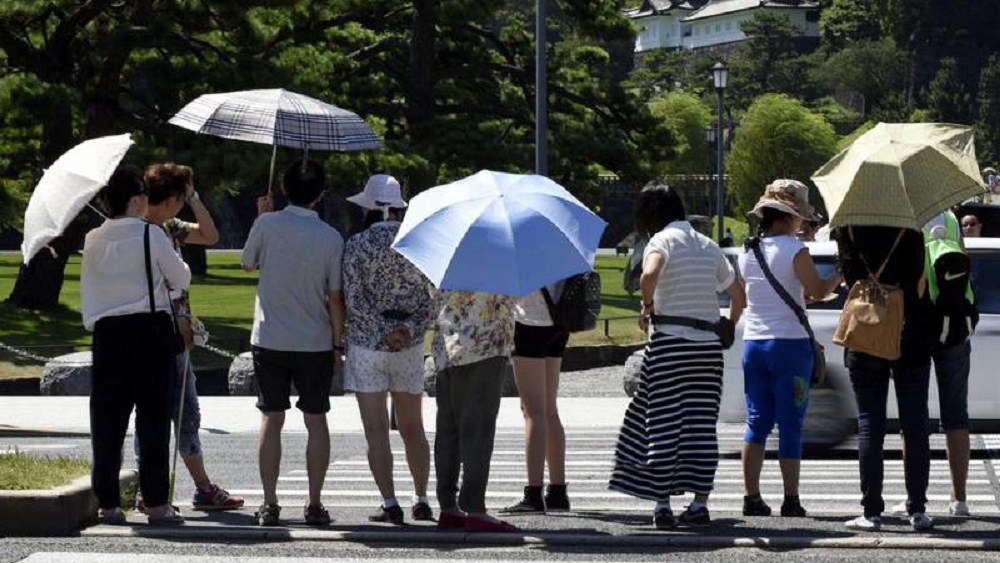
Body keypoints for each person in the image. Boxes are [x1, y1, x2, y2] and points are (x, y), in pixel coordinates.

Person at [608, 181, 745, 529]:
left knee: (664, 424)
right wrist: (728, 323)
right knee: (701, 425)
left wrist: (648, 304)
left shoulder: (662, 241)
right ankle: (700, 503)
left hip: (670, 344)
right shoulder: (708, 245)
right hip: (706, 349)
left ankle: (663, 504)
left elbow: (649, 273)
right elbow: (738, 294)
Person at [81, 165, 189, 525]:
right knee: (153, 419)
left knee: (107, 420)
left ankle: (108, 502)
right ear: (136, 200)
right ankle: (156, 501)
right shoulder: (150, 234)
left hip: (107, 334)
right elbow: (180, 277)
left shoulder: (93, 237)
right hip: (149, 331)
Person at [132, 163, 242, 512]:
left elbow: (210, 236)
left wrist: (194, 198)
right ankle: (184, 486)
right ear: (172, 198)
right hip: (163, 331)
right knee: (176, 411)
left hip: (172, 331)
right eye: (183, 197)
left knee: (170, 411)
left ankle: (180, 485)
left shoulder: (167, 226)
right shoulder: (142, 231)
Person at [241, 158, 345, 527]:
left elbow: (247, 263)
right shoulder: (331, 238)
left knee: (272, 417)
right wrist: (337, 345)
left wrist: (261, 216)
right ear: (320, 195)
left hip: (270, 336)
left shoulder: (267, 225)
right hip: (315, 340)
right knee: (316, 420)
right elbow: (335, 297)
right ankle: (314, 502)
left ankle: (270, 502)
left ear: (285, 189)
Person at [738, 180, 842, 518]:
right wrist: (839, 276)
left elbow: (765, 294)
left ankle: (751, 497)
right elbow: (818, 289)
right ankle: (791, 499)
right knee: (791, 424)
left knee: (756, 422)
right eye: (800, 217)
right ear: (788, 216)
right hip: (790, 347)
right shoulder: (796, 251)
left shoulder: (748, 251)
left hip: (754, 344)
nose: (803, 224)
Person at [342, 174, 435, 525]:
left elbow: (354, 299)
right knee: (414, 428)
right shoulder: (418, 243)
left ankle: (390, 501)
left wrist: (382, 332)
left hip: (367, 345)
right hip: (408, 346)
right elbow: (431, 298)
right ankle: (422, 497)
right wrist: (406, 330)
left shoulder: (355, 245)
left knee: (376, 429)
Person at [834, 224, 935, 531]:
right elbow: (919, 277)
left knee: (869, 422)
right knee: (915, 422)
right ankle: (917, 509)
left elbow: (851, 278)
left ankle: (871, 511)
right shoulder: (911, 228)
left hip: (867, 328)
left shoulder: (848, 228)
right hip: (911, 330)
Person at [890, 210, 977, 518]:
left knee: (914, 415)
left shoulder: (908, 217)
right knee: (957, 414)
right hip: (954, 323)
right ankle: (959, 498)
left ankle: (914, 495)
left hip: (919, 325)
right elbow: (964, 261)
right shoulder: (951, 218)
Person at [433, 291, 519, 533]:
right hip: (485, 346)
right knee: (478, 431)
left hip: (447, 348)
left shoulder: (443, 257)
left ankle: (448, 505)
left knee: (448, 430)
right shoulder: (498, 259)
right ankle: (474, 507)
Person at [502, 281, 572, 514]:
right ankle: (558, 490)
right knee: (549, 409)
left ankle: (533, 493)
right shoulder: (559, 244)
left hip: (530, 321)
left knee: (532, 411)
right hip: (559, 320)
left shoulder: (521, 247)